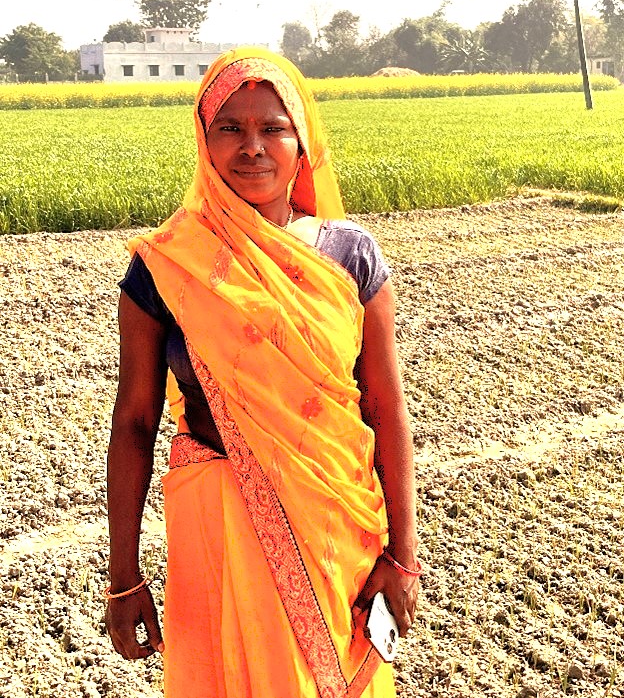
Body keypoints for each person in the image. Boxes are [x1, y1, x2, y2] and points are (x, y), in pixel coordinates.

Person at [105, 46, 420, 698]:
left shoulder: (349, 256)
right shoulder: (167, 267)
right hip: (219, 539)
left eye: (272, 126)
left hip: (337, 537)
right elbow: (134, 421)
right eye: (230, 127)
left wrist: (405, 556)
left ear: (301, 140)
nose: (253, 147)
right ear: (204, 141)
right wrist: (124, 575)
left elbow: (386, 407)